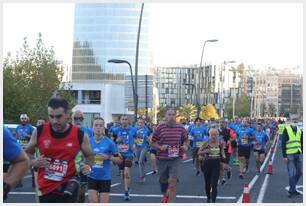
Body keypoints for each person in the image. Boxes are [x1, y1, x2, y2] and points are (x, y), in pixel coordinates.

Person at [25, 96, 94, 203]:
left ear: (68, 115)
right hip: (46, 188)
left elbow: (90, 155)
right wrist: (34, 162)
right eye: (51, 116)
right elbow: (25, 154)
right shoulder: (39, 131)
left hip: (68, 186)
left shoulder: (79, 135)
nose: (54, 121)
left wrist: (88, 166)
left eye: (58, 116)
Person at [151, 109, 189, 203]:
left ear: (176, 116)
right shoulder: (160, 128)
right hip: (162, 159)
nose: (171, 116)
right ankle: (165, 194)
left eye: (173, 115)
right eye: (169, 114)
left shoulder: (180, 128)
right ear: (165, 116)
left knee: (172, 182)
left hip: (175, 158)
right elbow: (152, 142)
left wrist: (185, 146)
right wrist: (160, 147)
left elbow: (186, 139)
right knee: (163, 181)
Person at [87, 117, 122, 203]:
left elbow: (119, 160)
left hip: (105, 178)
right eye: (96, 125)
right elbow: (82, 157)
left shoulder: (110, 143)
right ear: (92, 127)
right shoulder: (88, 142)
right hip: (91, 176)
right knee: (94, 203)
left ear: (103, 128)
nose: (98, 127)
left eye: (100, 126)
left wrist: (108, 157)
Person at [198, 128, 226, 203]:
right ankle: (208, 196)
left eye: (215, 135)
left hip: (216, 165)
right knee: (207, 183)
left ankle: (213, 200)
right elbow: (199, 152)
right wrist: (206, 151)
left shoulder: (220, 143)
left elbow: (222, 151)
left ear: (217, 135)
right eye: (212, 135)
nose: (213, 136)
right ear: (209, 135)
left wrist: (223, 155)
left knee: (214, 183)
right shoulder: (206, 143)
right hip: (207, 164)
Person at [72, 110, 94, 203]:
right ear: (72, 119)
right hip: (70, 165)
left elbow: (92, 148)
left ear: (83, 119)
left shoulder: (88, 131)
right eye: (76, 118)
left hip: (83, 164)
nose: (78, 120)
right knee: (71, 193)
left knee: (81, 193)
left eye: (80, 118)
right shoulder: (68, 130)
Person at [3, 127, 30, 201]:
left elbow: (22, 161)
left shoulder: (30, 128)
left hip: (23, 148)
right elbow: (17, 136)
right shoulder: (18, 127)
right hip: (18, 145)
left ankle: (20, 182)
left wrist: (5, 187)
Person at [116, 114, 136, 201]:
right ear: (120, 121)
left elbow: (138, 138)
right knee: (122, 173)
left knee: (127, 171)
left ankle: (126, 192)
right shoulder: (116, 129)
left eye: (126, 119)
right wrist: (116, 141)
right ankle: (127, 187)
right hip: (120, 154)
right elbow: (111, 140)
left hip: (129, 154)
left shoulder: (133, 129)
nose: (124, 121)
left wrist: (135, 144)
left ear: (128, 121)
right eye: (122, 119)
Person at [282, 122, 303, 198]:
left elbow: (302, 142)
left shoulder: (299, 130)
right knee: (291, 173)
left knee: (300, 172)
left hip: (297, 153)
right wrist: (284, 156)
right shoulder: (286, 130)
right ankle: (292, 190)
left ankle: (292, 189)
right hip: (289, 154)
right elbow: (283, 143)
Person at [134, 118, 151, 183]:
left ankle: (142, 177)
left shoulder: (147, 130)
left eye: (141, 123)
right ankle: (143, 173)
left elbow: (150, 138)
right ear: (137, 123)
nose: (140, 124)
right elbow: (131, 137)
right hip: (137, 147)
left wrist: (148, 139)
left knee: (140, 161)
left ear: (144, 123)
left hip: (144, 147)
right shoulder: (135, 129)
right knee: (140, 162)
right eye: (139, 122)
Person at [218, 120, 233, 185]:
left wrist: (229, 140)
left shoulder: (229, 130)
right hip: (218, 149)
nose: (221, 124)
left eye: (223, 122)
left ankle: (228, 171)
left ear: (226, 124)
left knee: (223, 165)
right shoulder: (217, 130)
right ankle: (222, 178)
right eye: (220, 122)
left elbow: (234, 137)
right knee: (220, 165)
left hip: (227, 150)